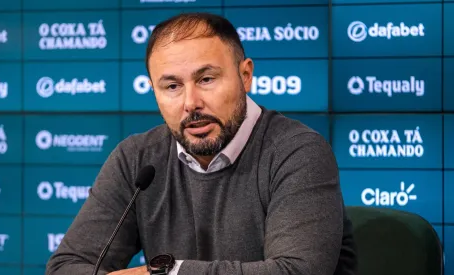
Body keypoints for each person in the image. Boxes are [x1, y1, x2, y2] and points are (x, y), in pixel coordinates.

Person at [46, 12, 358, 275]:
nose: (190, 103)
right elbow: (68, 267)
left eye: (206, 79)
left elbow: (295, 271)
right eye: (172, 86)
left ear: (245, 75)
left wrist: (170, 271)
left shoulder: (298, 151)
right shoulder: (138, 158)